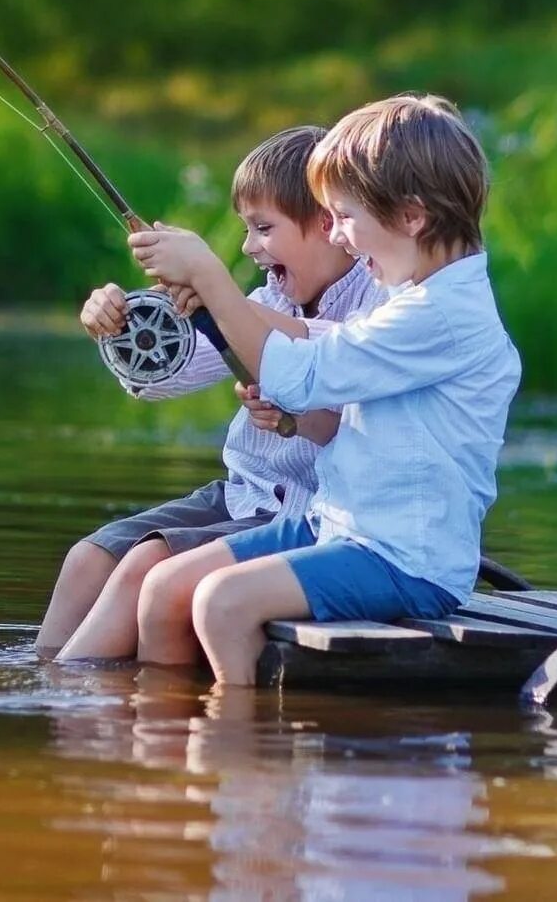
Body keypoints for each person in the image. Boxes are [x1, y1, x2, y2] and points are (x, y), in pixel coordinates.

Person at [126, 94, 522, 685]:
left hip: (401, 558)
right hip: (333, 524)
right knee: (164, 585)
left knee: (222, 603)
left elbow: (300, 375)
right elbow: (318, 368)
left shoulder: (441, 314)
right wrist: (220, 308)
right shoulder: (410, 295)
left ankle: (237, 756)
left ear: (411, 217)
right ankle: (163, 743)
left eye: (344, 216)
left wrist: (211, 277)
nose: (336, 235)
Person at [35, 125, 385, 661]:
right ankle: (43, 683)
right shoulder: (270, 295)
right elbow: (166, 378)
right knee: (88, 558)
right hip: (242, 495)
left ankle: (71, 705)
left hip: (309, 515)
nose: (249, 246)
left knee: (141, 567)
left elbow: (332, 353)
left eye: (263, 228)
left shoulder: (376, 301)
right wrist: (122, 323)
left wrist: (217, 292)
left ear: (325, 223)